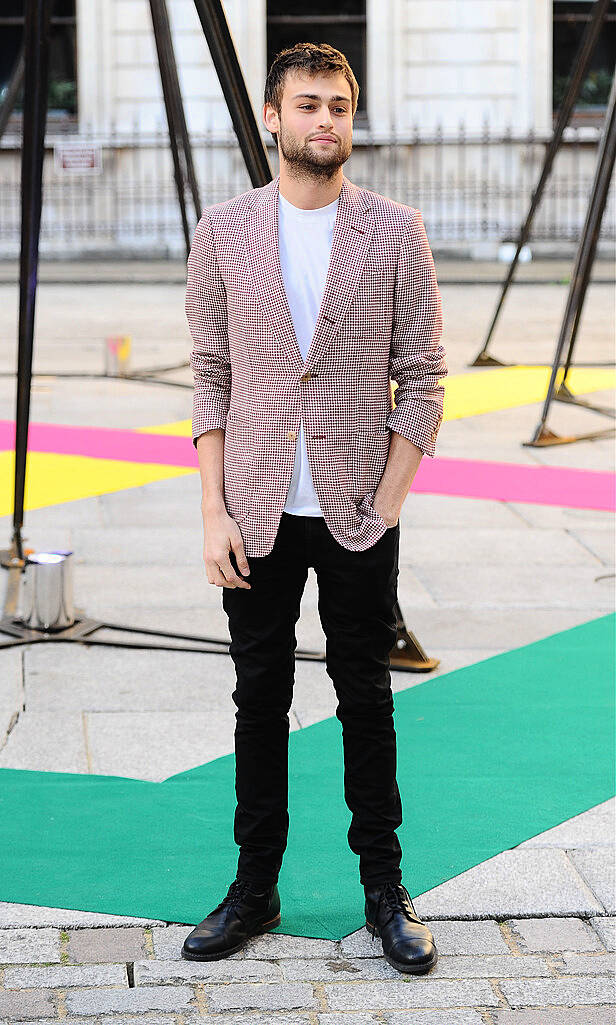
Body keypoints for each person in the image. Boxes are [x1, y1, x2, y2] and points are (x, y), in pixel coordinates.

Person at [181, 42, 447, 974]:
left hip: (355, 511)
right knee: (260, 700)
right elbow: (211, 378)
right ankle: (254, 888)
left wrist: (385, 501)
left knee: (366, 697)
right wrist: (212, 512)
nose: (325, 120)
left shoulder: (394, 230)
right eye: (308, 105)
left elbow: (422, 380)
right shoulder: (222, 232)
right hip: (254, 509)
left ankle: (386, 888)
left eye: (339, 105)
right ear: (272, 116)